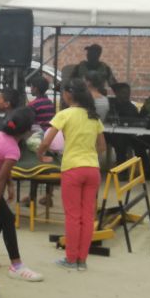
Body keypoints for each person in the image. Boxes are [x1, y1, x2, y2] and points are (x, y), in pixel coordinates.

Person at [36, 79, 106, 270]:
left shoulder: (64, 114)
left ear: (68, 94)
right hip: (92, 169)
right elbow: (102, 147)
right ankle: (82, 260)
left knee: (73, 216)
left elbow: (46, 141)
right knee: (87, 216)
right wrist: (88, 154)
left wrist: (40, 155)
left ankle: (71, 259)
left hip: (72, 168)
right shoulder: (94, 117)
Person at [0, 108, 44, 294]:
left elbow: (0, 167)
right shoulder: (13, 149)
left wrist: (11, 185)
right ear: (26, 131)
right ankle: (16, 264)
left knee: (1, 220)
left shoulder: (2, 136)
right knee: (7, 219)